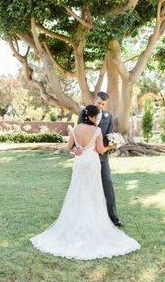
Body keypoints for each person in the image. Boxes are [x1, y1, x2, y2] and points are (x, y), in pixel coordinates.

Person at [30, 105, 140, 260]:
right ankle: (93, 222)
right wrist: (114, 145)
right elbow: (101, 150)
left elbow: (69, 147)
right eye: (97, 116)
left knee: (78, 191)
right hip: (93, 163)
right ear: (93, 117)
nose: (98, 119)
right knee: (93, 191)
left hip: (80, 163)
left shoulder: (75, 129)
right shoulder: (97, 131)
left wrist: (75, 150)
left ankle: (75, 221)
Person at [77, 91, 124, 227]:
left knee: (108, 183)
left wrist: (113, 145)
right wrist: (76, 148)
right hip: (87, 157)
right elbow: (78, 131)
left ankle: (114, 217)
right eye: (98, 103)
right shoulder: (85, 112)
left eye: (103, 104)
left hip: (102, 157)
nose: (100, 106)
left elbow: (109, 136)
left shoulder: (108, 117)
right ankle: (84, 216)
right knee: (85, 185)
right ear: (94, 100)